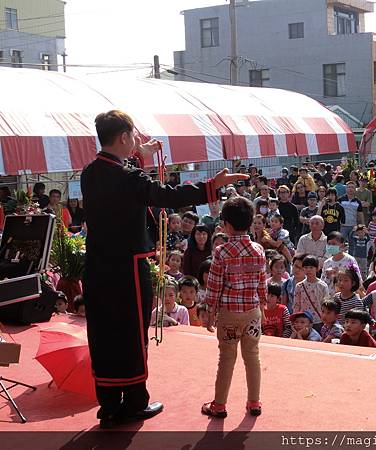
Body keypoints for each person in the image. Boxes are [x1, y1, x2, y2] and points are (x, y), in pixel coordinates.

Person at [82, 110, 242, 428]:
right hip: (128, 269)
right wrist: (211, 187)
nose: (138, 141)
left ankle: (110, 403)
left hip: (98, 268)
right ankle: (135, 402)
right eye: (135, 136)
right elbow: (163, 195)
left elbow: (129, 186)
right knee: (131, 334)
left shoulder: (89, 173)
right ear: (124, 137)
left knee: (103, 334)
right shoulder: (129, 178)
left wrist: (139, 157)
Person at [202, 196, 266, 419]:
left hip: (229, 313)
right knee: (253, 356)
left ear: (226, 225)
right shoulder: (259, 250)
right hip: (252, 312)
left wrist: (209, 313)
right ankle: (254, 402)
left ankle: (219, 405)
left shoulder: (221, 252)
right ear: (249, 222)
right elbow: (262, 283)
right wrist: (263, 305)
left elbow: (214, 286)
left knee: (227, 358)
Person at [321, 232, 362, 296]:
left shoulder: (350, 260)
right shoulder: (327, 262)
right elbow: (323, 282)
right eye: (329, 243)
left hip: (346, 297)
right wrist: (328, 276)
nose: (331, 246)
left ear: (342, 245)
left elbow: (357, 279)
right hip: (330, 299)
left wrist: (338, 274)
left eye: (334, 244)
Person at [294, 255, 329, 328]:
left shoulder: (322, 286)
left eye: (311, 267)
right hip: (303, 321)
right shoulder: (299, 286)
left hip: (318, 320)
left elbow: (326, 305)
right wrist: (296, 319)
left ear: (317, 268)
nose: (308, 270)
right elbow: (296, 305)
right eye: (306, 267)